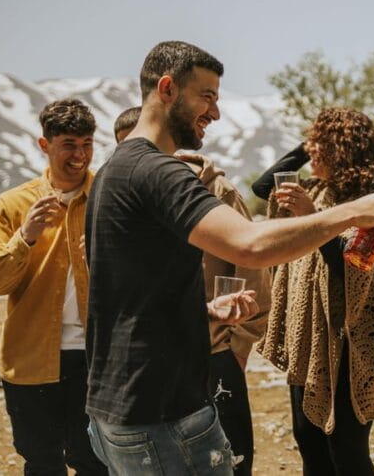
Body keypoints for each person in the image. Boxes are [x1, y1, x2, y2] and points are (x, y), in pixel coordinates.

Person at [84, 40, 374, 475]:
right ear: (167, 89)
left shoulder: (114, 169)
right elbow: (250, 244)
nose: (215, 112)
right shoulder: (159, 172)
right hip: (161, 413)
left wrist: (205, 311)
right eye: (207, 97)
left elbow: (129, 295)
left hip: (120, 405)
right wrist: (353, 211)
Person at [113, 106, 271, 475]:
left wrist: (239, 345)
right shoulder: (120, 193)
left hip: (213, 349)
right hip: (148, 354)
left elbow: (252, 268)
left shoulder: (216, 190)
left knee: (229, 458)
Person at [253, 107, 374, 475]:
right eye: (311, 142)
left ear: (342, 148)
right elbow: (261, 187)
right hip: (308, 337)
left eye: (321, 144)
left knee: (346, 450)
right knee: (308, 439)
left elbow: (354, 265)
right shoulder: (316, 188)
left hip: (350, 339)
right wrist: (306, 149)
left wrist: (311, 213)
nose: (313, 150)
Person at [0, 99, 107, 475]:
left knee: (96, 463)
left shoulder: (109, 196)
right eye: (69, 144)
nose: (80, 154)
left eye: (87, 143)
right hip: (30, 361)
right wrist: (26, 236)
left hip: (96, 358)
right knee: (42, 463)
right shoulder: (11, 205)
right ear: (44, 145)